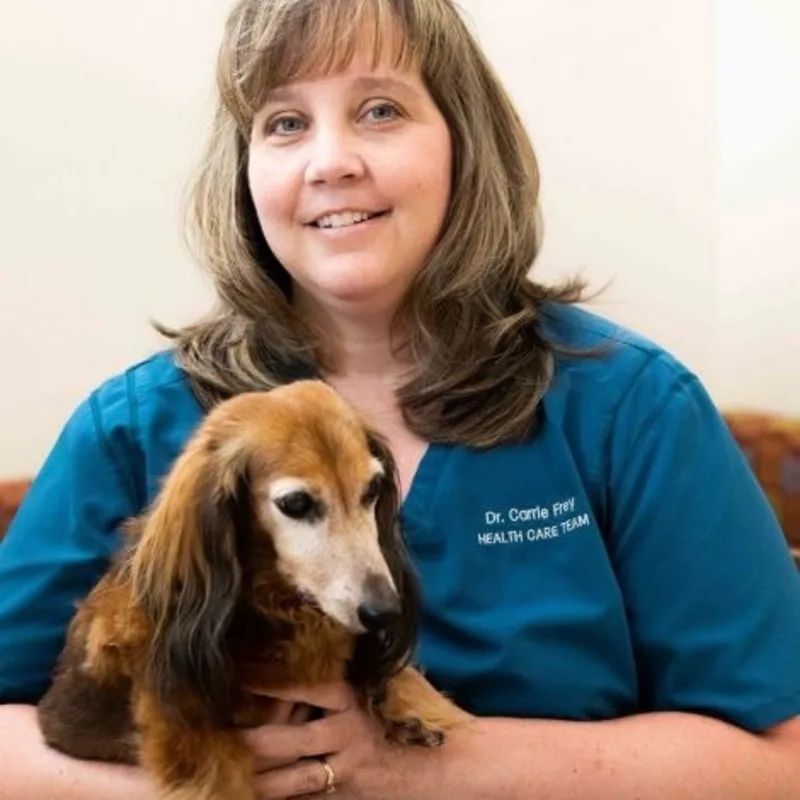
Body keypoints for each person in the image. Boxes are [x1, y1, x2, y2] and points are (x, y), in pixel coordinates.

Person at [1, 0, 799, 797]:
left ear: (464, 138)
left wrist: (425, 765)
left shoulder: (632, 411)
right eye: (284, 124)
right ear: (243, 173)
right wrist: (203, 790)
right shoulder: (132, 429)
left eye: (380, 110)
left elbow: (782, 758)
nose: (331, 161)